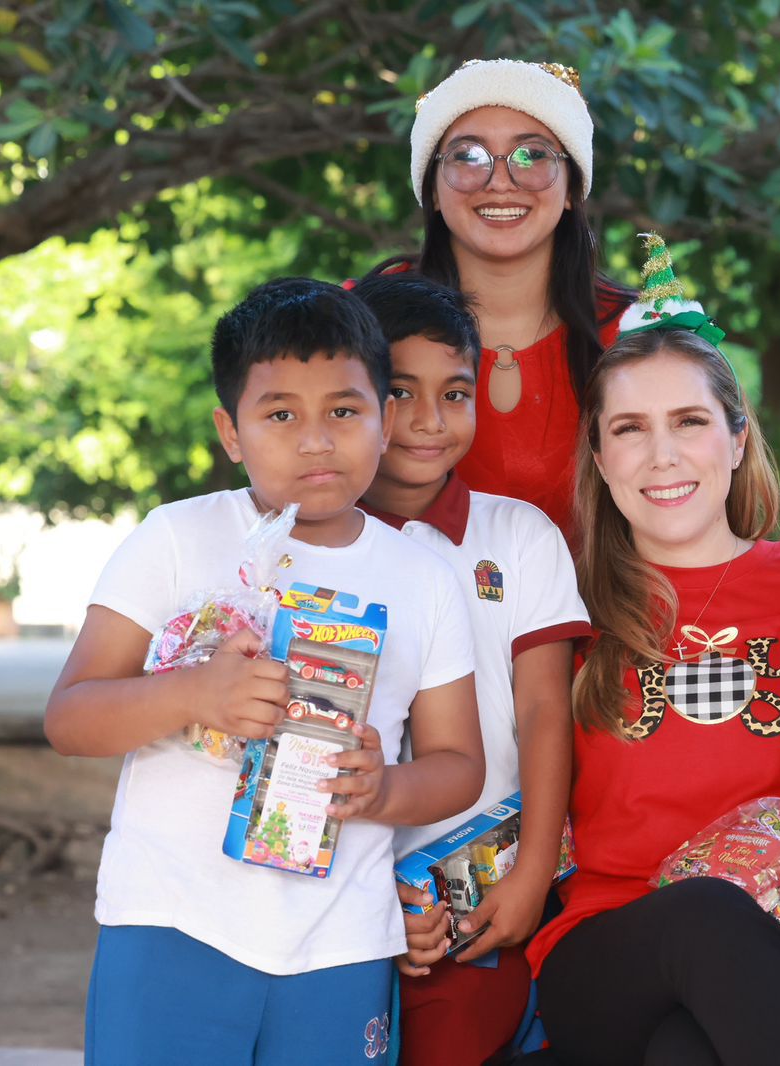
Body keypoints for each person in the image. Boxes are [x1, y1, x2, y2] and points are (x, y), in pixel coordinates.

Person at [44, 278, 484, 1065]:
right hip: (172, 923)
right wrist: (191, 692)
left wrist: (386, 790)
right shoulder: (177, 539)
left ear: (383, 419)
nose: (316, 439)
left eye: (343, 411)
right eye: (281, 414)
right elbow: (71, 717)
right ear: (231, 431)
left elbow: (458, 767)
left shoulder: (422, 577)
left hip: (339, 941)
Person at [524, 262, 780, 1066]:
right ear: (601, 459)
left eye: (689, 421)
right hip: (618, 933)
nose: (662, 455)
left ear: (737, 438)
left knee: (688, 1052)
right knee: (705, 916)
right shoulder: (566, 606)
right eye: (631, 429)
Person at [351, 271, 588, 1065]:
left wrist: (528, 878)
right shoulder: (312, 540)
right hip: (334, 890)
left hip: (478, 894)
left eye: (455, 394)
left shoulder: (517, 535)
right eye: (398, 391)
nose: (427, 420)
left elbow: (544, 711)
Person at [379, 58, 635, 530]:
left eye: (533, 156)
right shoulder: (366, 319)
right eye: (468, 156)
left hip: (602, 604)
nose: (500, 181)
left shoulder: (641, 335)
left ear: (574, 186)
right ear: (431, 187)